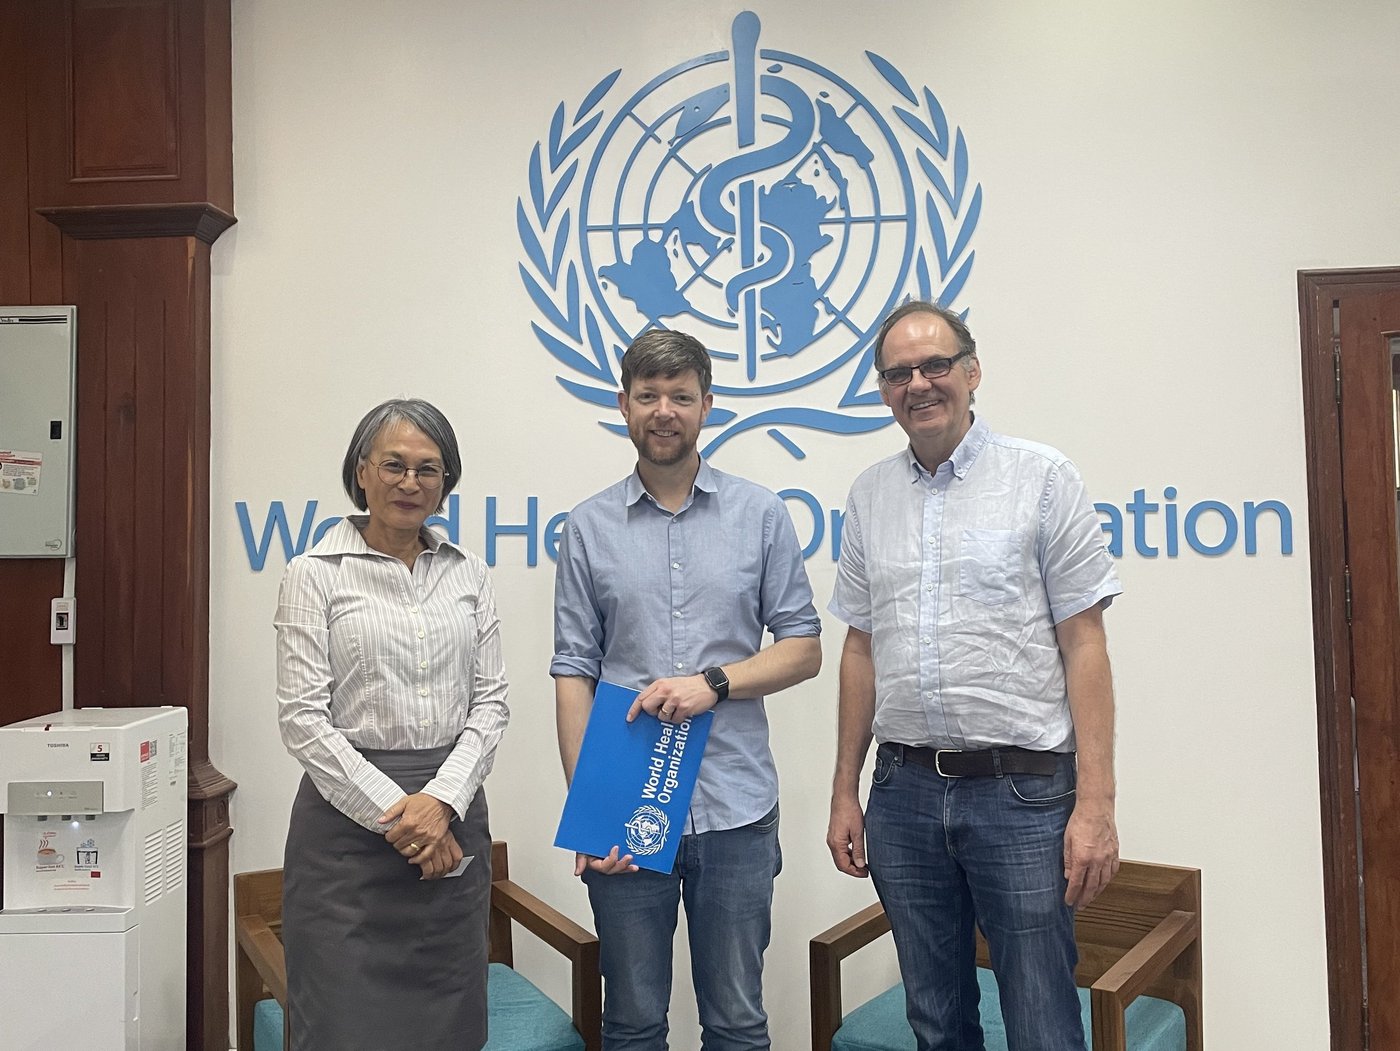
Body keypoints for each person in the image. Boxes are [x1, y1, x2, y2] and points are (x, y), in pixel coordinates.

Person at [826, 301, 1122, 1051]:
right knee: (935, 1020)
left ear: (972, 370)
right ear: (883, 390)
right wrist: (843, 790)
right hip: (903, 795)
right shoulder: (868, 495)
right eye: (898, 373)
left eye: (935, 365)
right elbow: (860, 648)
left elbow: (1085, 644)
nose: (919, 383)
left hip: (1023, 797)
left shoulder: (1043, 477)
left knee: (1042, 1020)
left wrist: (1096, 805)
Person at [552, 328, 822, 1050]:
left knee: (736, 1022)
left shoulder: (760, 513)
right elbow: (574, 670)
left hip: (735, 812)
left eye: (679, 395)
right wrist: (591, 811)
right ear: (623, 405)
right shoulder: (587, 526)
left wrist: (716, 683)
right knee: (633, 1023)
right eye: (648, 396)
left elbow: (803, 650)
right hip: (627, 818)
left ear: (708, 404)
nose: (663, 410)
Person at [275, 398, 509, 1051]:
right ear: (361, 473)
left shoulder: (467, 574)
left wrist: (440, 801)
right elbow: (302, 718)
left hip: (453, 818)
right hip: (345, 839)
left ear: (446, 482)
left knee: (449, 1028)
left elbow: (491, 701)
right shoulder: (313, 574)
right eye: (395, 465)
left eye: (428, 469)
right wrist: (404, 817)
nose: (411, 482)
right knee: (343, 1028)